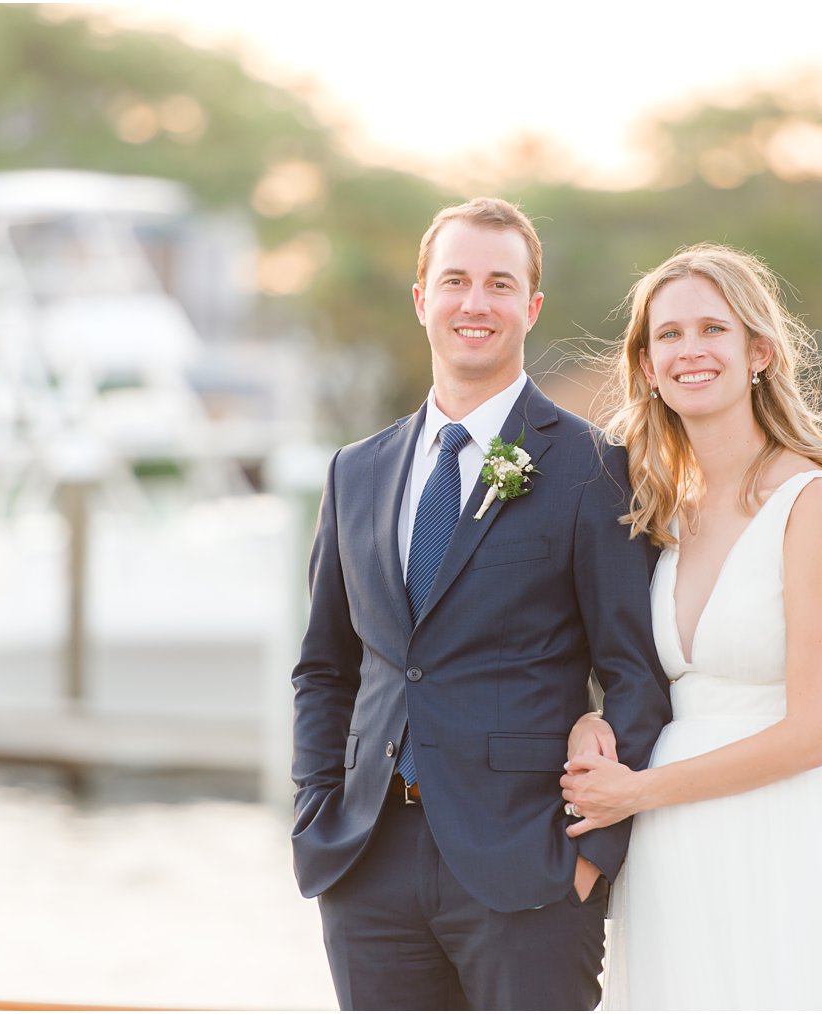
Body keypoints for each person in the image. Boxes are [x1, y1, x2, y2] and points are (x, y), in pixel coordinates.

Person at [290, 197, 672, 1011]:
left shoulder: (588, 468)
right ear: (421, 297)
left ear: (530, 307)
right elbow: (325, 667)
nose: (476, 302)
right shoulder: (355, 472)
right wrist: (316, 813)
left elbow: (636, 674)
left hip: (527, 869)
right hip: (366, 863)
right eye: (456, 280)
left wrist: (590, 854)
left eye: (501, 283)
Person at [560, 243, 822, 1009]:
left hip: (779, 833)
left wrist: (637, 792)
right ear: (646, 368)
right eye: (668, 336)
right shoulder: (660, 510)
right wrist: (589, 720)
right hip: (672, 850)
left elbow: (812, 732)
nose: (690, 351)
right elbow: (628, 671)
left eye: (713, 328)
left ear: (759, 352)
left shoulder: (815, 504)